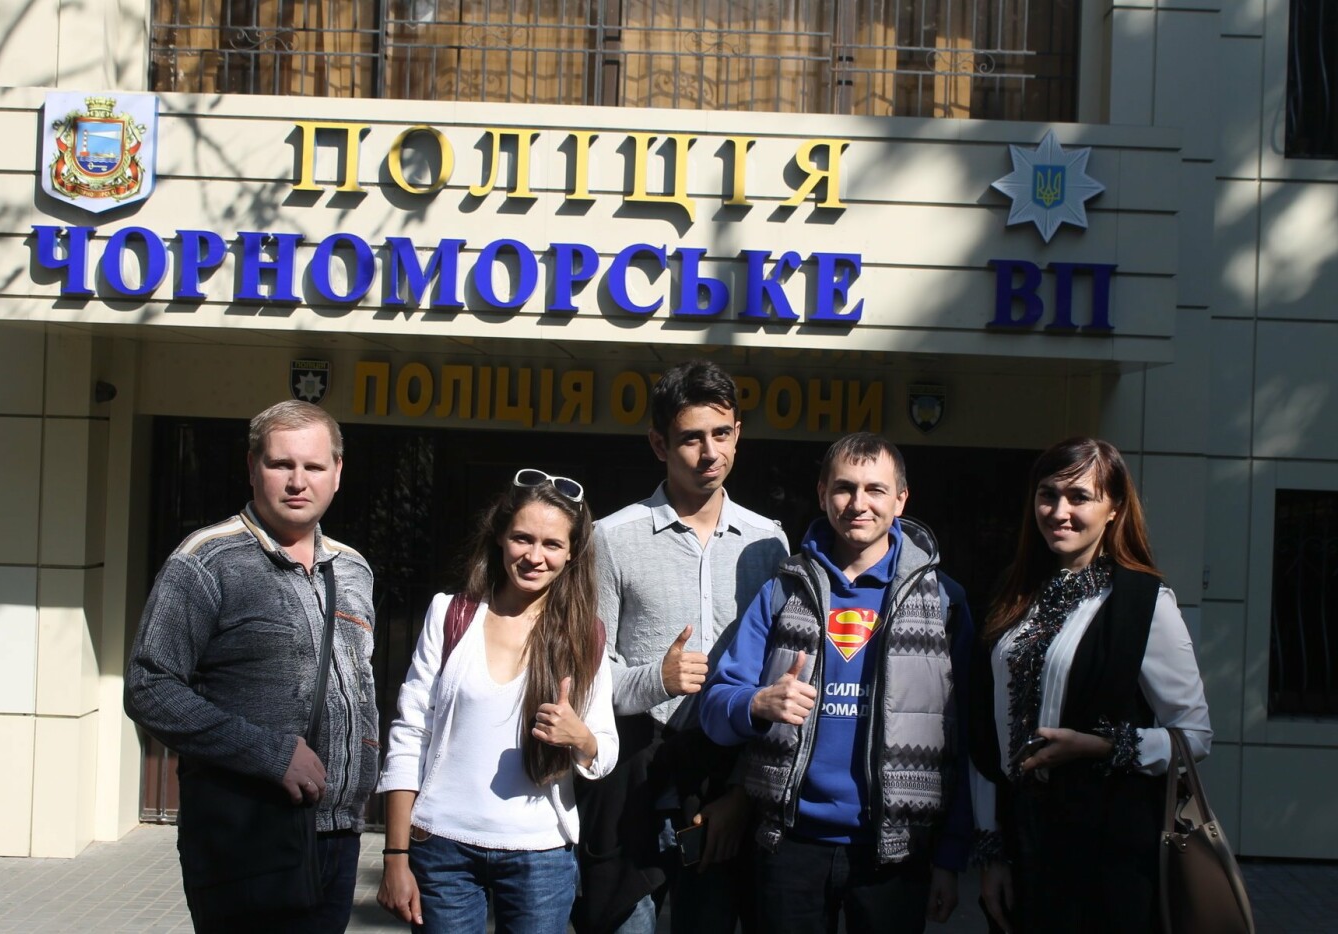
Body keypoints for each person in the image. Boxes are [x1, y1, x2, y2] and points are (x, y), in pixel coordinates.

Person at [700, 432, 973, 933]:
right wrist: (757, 703)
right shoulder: (783, 590)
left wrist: (950, 858)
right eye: (845, 488)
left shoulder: (944, 602)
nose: (858, 503)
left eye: (875, 489)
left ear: (901, 499)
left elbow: (963, 736)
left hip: (896, 853)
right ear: (823, 493)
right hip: (789, 846)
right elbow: (715, 707)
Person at [124, 401, 377, 934]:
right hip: (249, 834)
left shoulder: (353, 567)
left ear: (337, 472)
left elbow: (360, 687)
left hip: (338, 834)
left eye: (313, 466)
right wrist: (270, 754)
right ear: (252, 467)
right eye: (281, 464)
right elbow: (149, 687)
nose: (297, 481)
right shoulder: (206, 560)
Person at [578, 359, 790, 934]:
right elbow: (588, 678)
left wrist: (742, 790)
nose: (709, 453)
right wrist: (659, 679)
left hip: (728, 772)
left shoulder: (769, 543)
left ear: (738, 434)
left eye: (721, 434)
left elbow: (779, 679)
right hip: (634, 771)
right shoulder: (611, 538)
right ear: (659, 443)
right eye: (692, 438)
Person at [968, 437, 1212, 934]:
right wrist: (991, 852)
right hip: (1022, 848)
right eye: (1047, 494)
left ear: (1114, 508)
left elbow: (1194, 737)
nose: (1059, 511)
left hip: (1108, 857)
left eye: (1079, 497)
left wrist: (1098, 746)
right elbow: (986, 736)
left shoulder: (1144, 602)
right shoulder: (1014, 593)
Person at [375, 469, 618, 933]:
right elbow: (409, 734)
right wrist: (396, 854)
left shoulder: (584, 636)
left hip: (541, 857)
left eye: (552, 544)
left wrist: (580, 737)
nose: (534, 556)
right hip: (441, 847)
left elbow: (604, 751)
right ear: (500, 537)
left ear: (572, 553)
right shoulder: (450, 614)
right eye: (522, 538)